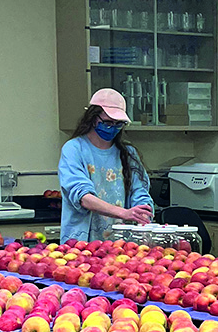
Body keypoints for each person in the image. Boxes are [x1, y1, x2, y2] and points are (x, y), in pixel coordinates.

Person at [58, 88, 154, 242]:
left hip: (122, 244)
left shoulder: (128, 153)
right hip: (82, 244)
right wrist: (123, 213)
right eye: (108, 122)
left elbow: (140, 191)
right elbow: (83, 197)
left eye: (118, 124)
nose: (112, 127)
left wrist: (142, 213)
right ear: (92, 118)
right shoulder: (74, 149)